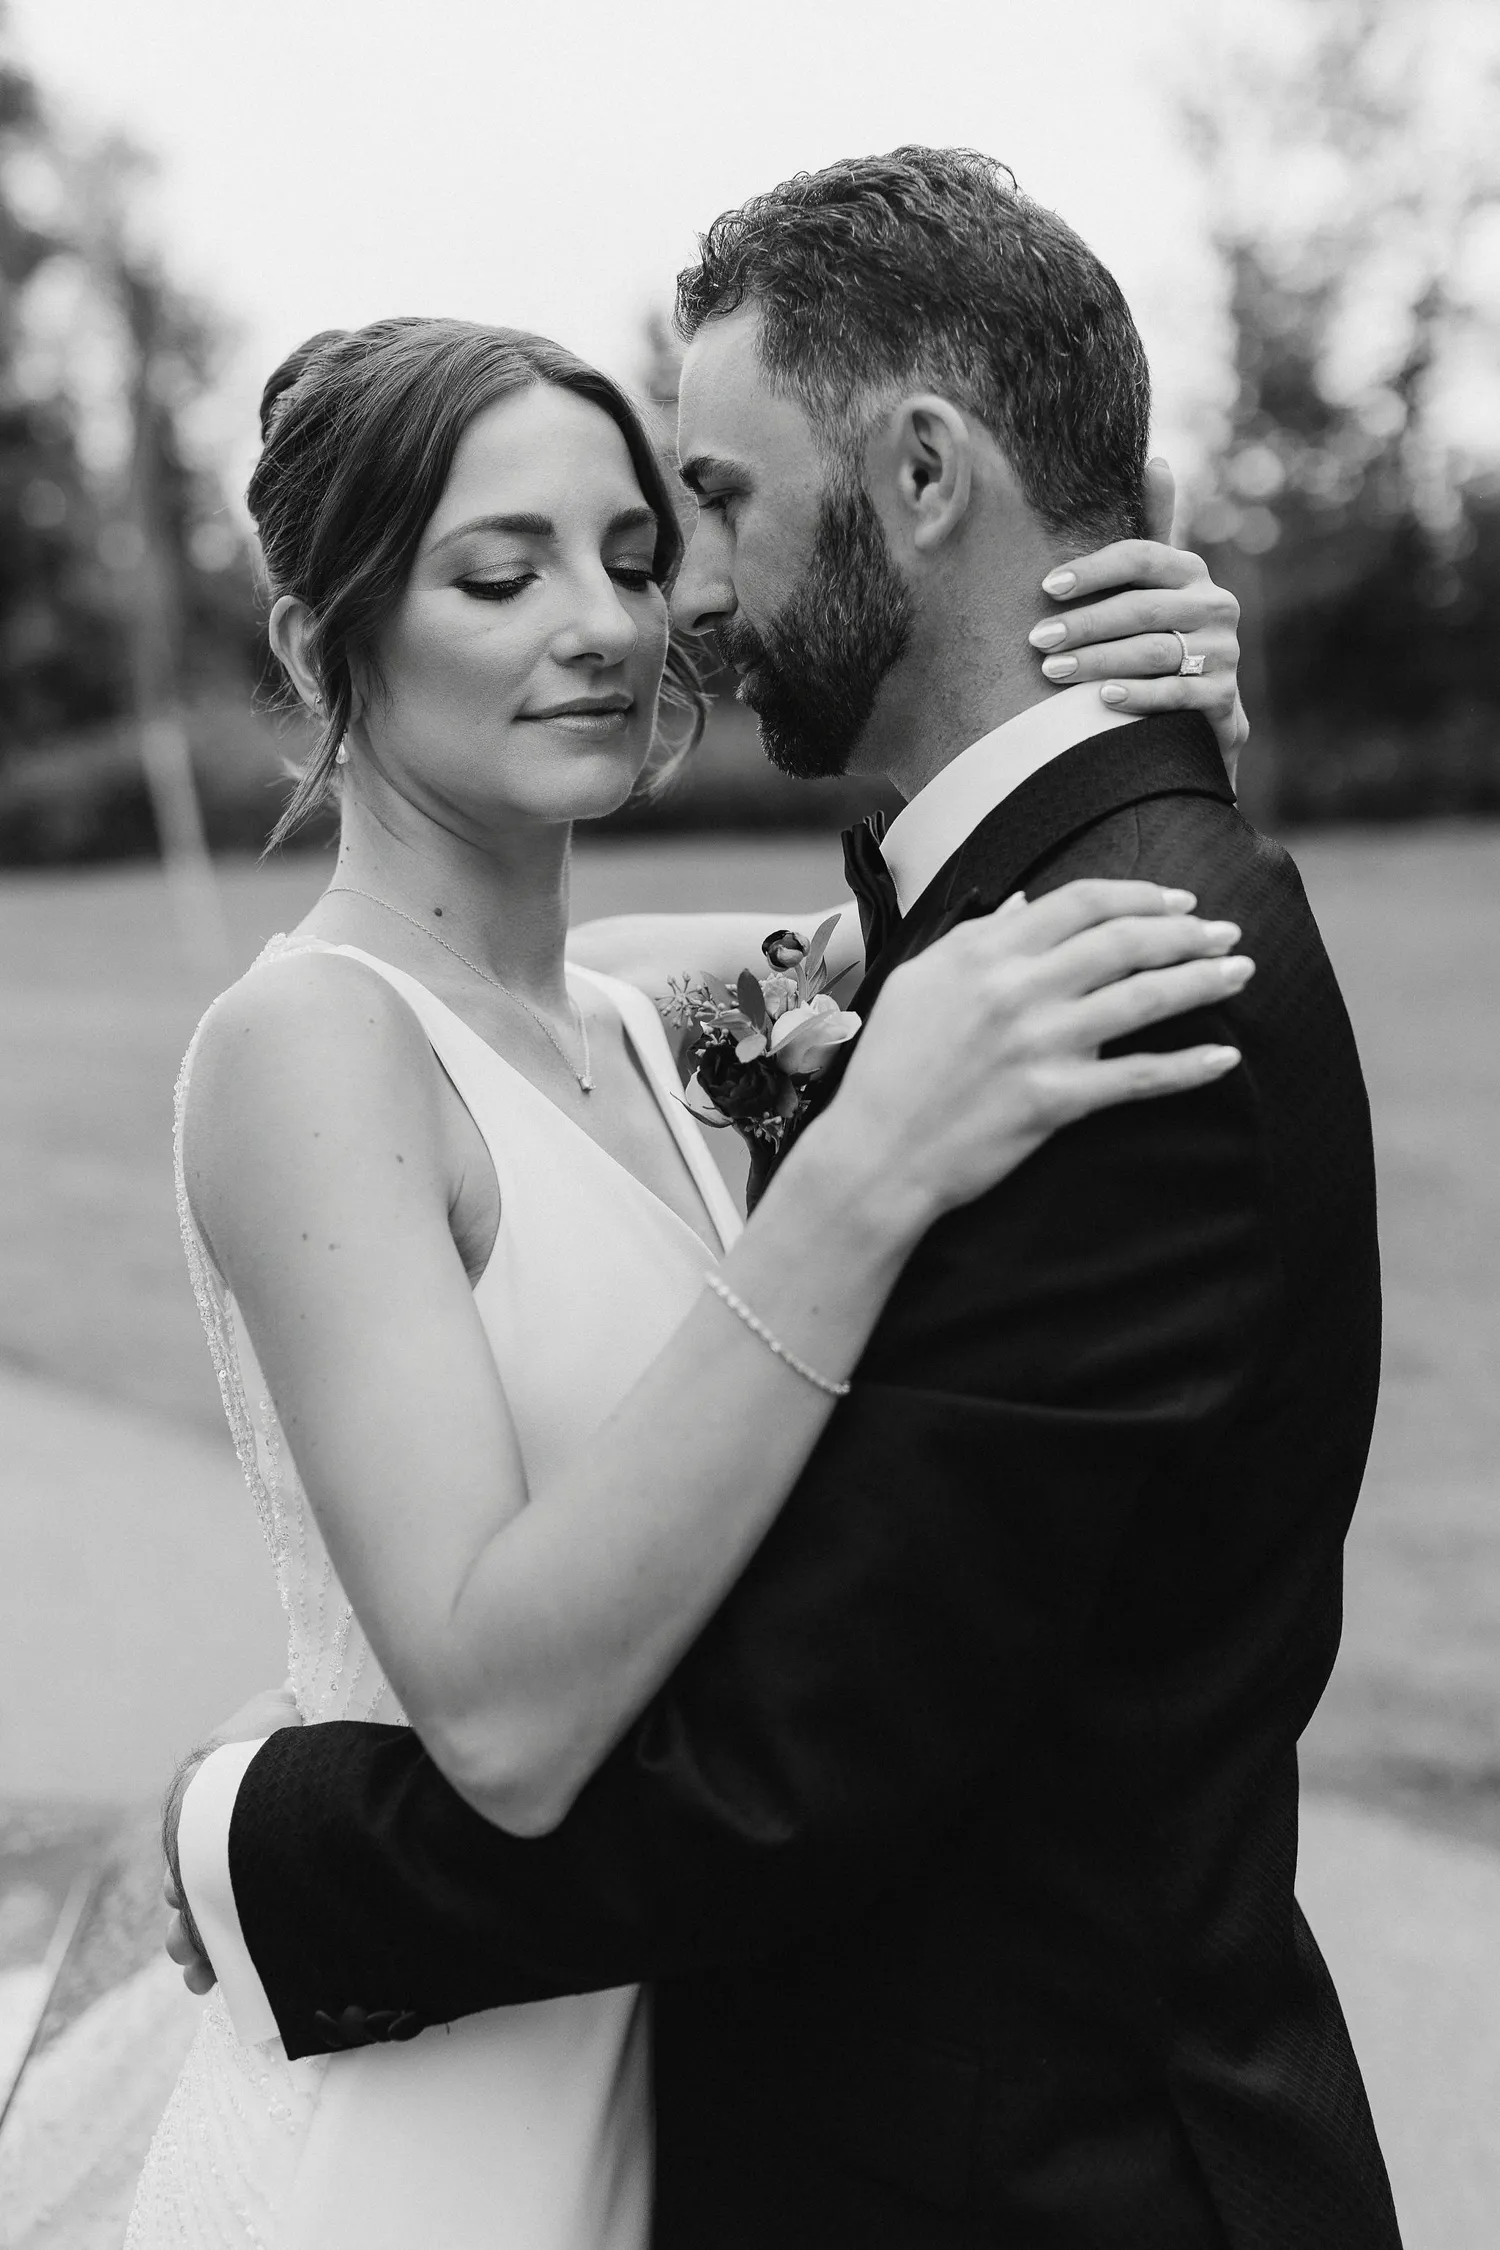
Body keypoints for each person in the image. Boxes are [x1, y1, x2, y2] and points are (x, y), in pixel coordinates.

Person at [160, 151, 1398, 2248]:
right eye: (496, 575)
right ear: (323, 643)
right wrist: (864, 1168)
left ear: (914, 477)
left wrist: (1146, 697)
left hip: (759, 2097)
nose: (631, 621)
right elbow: (534, 1707)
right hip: (458, 2120)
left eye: (659, 537)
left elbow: (955, 906)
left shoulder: (677, 1014)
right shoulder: (317, 1049)